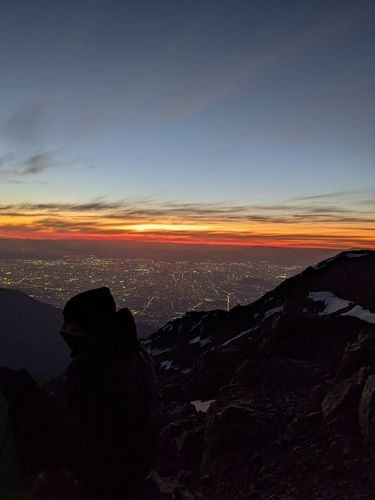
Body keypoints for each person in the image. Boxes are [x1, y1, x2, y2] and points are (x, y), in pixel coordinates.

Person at [60, 287, 159, 500]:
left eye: (73, 326)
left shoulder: (90, 369)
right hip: (135, 468)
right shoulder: (135, 355)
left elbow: (81, 430)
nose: (66, 331)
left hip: (104, 475)